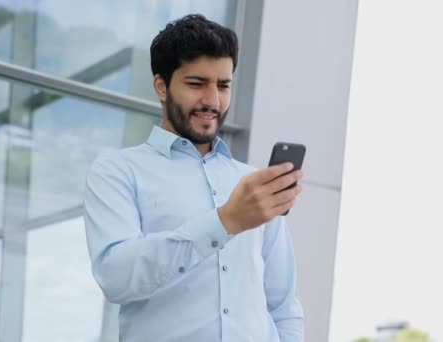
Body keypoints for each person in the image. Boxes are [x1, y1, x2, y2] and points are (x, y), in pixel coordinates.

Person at [84, 14, 304, 342]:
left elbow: (282, 304)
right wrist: (226, 221)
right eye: (196, 83)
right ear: (162, 86)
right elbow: (116, 278)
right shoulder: (118, 171)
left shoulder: (253, 184)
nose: (213, 101)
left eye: (224, 85)